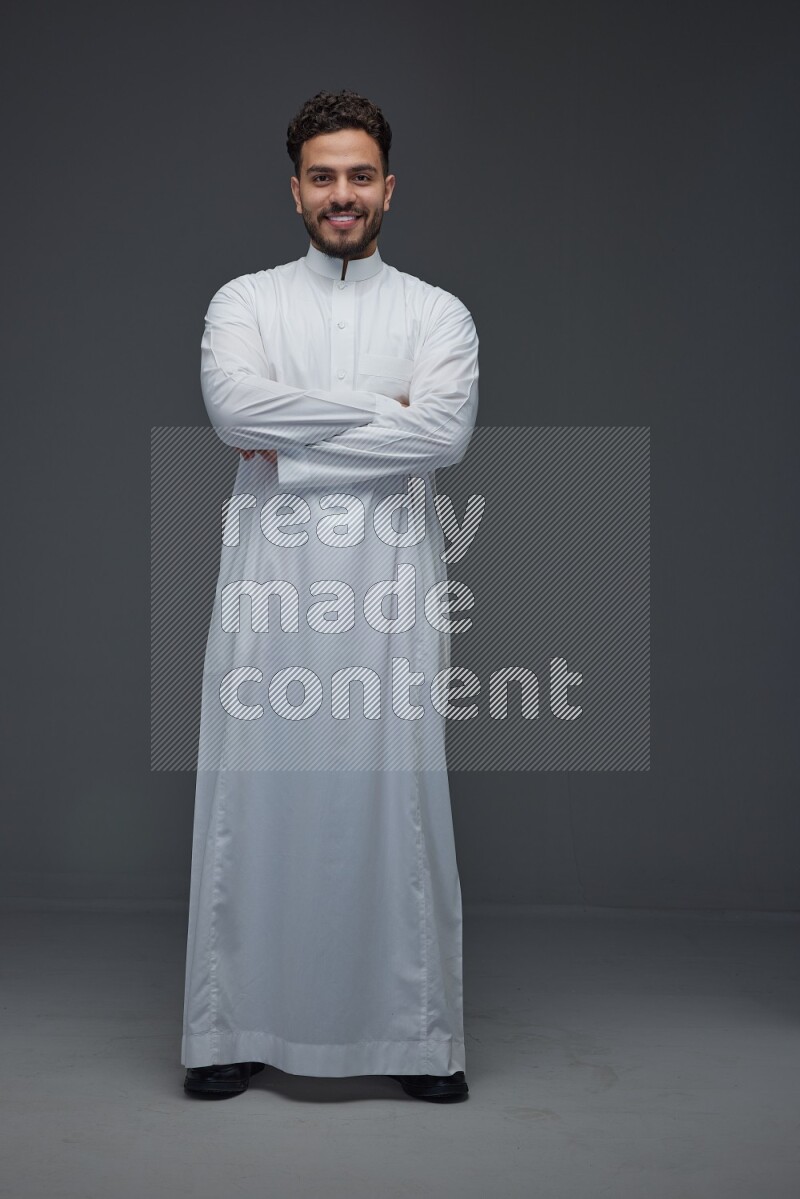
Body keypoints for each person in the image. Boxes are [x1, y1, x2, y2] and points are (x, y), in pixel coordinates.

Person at [181, 89, 479, 1103]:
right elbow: (232, 410)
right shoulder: (245, 301)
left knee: (392, 797)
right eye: (322, 176)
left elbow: (441, 436)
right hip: (273, 583)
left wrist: (296, 442)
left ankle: (413, 1033)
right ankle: (231, 1023)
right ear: (295, 189)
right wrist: (380, 412)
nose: (340, 194)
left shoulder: (435, 311)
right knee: (252, 793)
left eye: (358, 175)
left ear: (387, 187)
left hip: (389, 585)